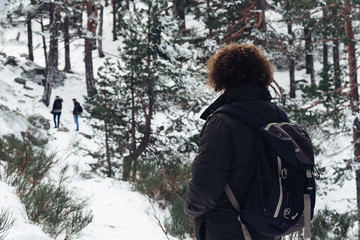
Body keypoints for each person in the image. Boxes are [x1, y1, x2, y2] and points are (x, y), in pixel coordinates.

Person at [184, 43, 278, 240]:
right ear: (262, 73)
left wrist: (191, 209)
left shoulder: (222, 123)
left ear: (221, 75)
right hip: (269, 227)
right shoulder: (278, 116)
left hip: (228, 228)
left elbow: (204, 187)